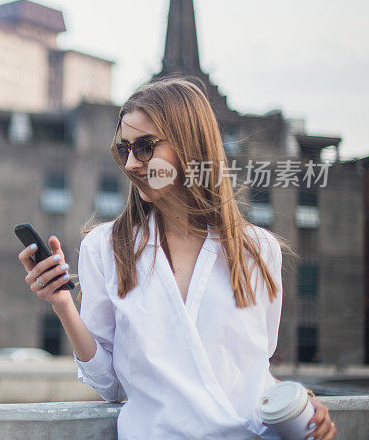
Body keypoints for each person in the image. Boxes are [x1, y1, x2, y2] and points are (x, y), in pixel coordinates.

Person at [17, 78, 336, 439]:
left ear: (189, 145)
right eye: (124, 150)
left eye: (145, 146)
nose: (132, 163)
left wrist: (303, 402)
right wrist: (62, 304)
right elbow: (110, 385)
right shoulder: (105, 248)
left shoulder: (258, 249)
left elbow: (249, 372)